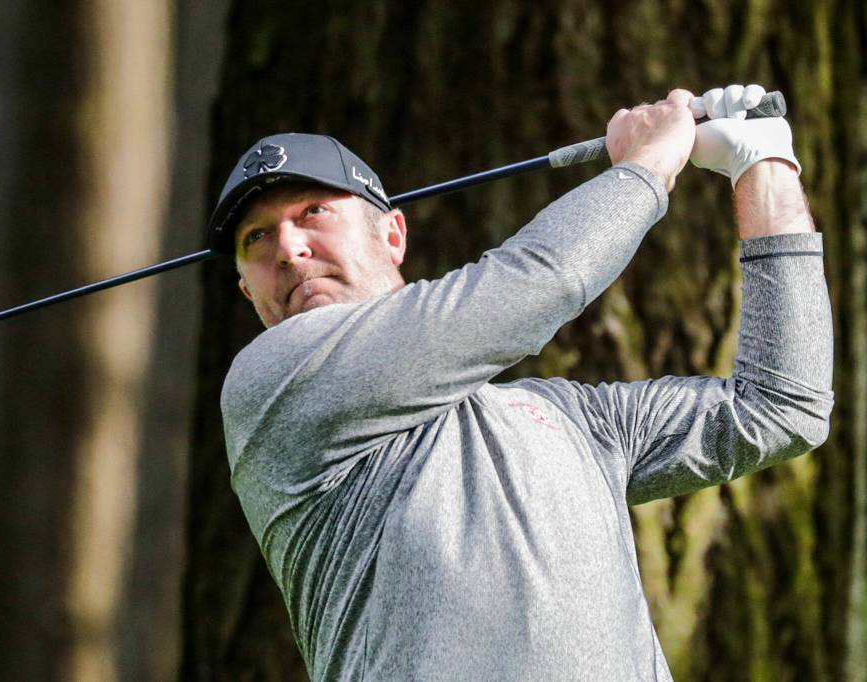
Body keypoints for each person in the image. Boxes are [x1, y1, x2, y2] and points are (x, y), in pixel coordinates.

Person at [206, 85, 833, 680]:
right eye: (256, 237)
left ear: (393, 234)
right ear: (246, 289)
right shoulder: (272, 383)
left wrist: (764, 161)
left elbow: (780, 406)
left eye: (313, 211)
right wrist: (645, 167)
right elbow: (541, 280)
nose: (288, 248)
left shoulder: (571, 420)